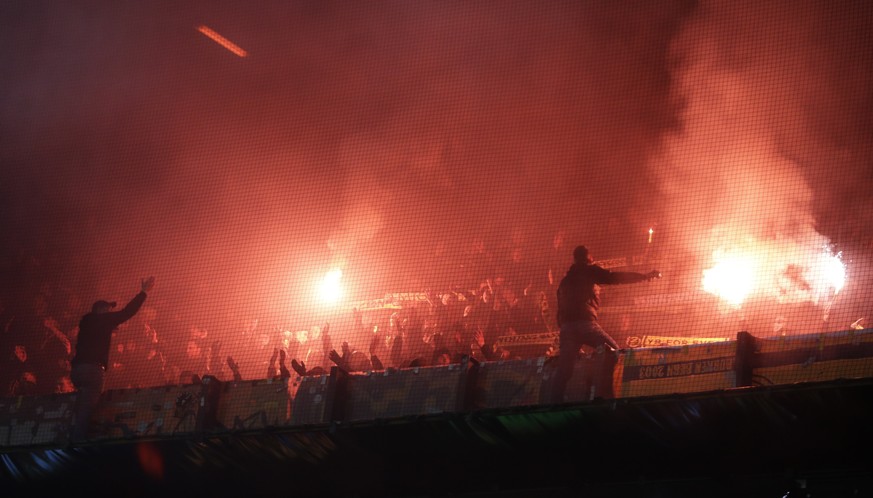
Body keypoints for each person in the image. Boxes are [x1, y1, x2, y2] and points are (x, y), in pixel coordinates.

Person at [549, 246, 659, 403]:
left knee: (565, 369)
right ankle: (603, 395)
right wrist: (644, 276)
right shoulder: (588, 270)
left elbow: (559, 312)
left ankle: (554, 403)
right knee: (613, 350)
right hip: (585, 324)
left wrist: (567, 335)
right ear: (588, 257)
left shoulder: (564, 282)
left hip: (567, 328)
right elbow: (615, 277)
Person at [69, 277, 155, 442]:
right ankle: (78, 442)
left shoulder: (86, 323)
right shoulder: (103, 319)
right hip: (93, 370)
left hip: (77, 370)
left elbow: (96, 333)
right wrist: (143, 293)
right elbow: (127, 312)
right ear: (101, 310)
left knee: (80, 403)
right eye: (108, 309)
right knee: (88, 407)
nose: (110, 313)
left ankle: (70, 434)